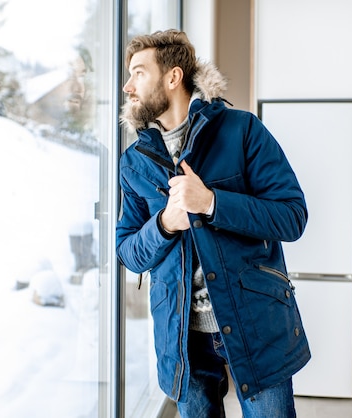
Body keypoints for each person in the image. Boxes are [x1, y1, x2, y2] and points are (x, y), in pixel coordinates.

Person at [116, 29, 310, 418]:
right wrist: (166, 224)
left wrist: (211, 202)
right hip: (181, 335)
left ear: (172, 77)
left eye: (138, 72)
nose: (127, 86)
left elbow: (292, 216)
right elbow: (129, 252)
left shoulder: (242, 130)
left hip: (255, 323)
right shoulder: (134, 161)